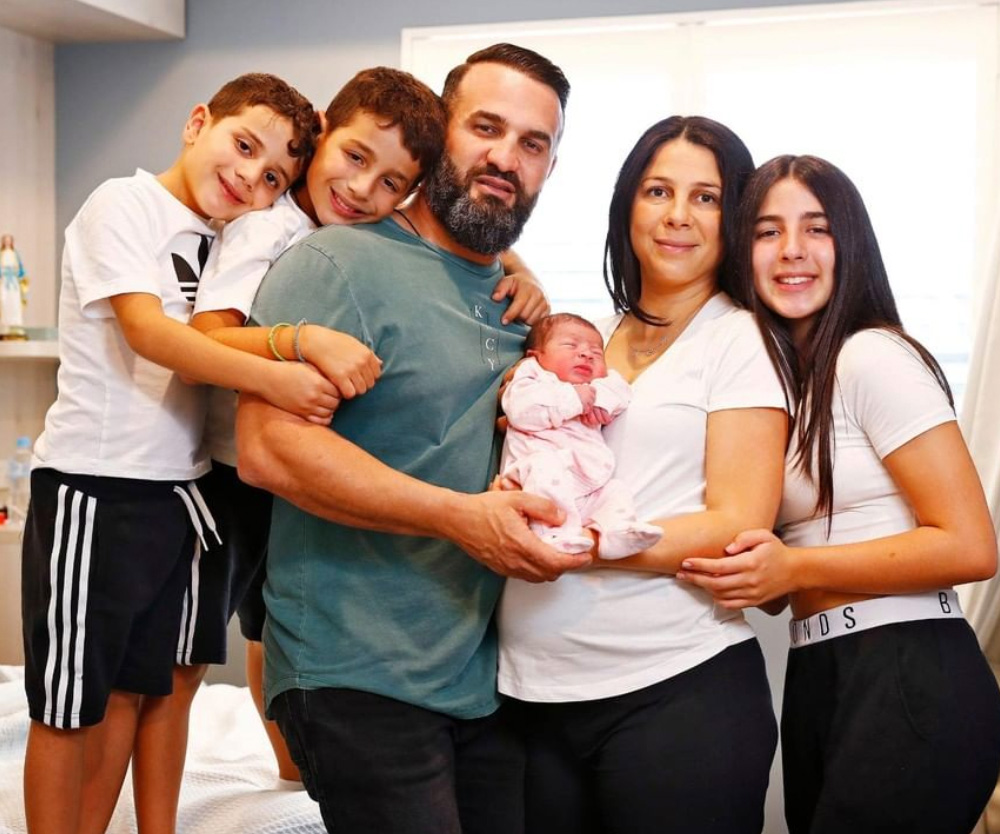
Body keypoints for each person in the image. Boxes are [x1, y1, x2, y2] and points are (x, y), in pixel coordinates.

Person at [235, 43, 583, 834]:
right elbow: (267, 448)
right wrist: (458, 516)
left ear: (550, 169)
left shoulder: (517, 301)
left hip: (484, 683)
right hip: (355, 673)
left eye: (533, 144)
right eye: (485, 127)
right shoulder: (337, 260)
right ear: (439, 137)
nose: (505, 156)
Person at [20, 73, 328, 834]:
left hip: (180, 493)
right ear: (199, 122)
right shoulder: (122, 204)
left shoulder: (232, 234)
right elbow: (156, 337)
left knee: (139, 687)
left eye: (270, 176)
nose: (248, 177)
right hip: (96, 487)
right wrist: (281, 375)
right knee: (67, 703)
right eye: (242, 144)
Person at [677, 154, 1000, 834]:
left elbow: (972, 546)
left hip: (908, 670)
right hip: (821, 668)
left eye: (816, 228)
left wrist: (792, 568)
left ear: (849, 243)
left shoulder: (871, 355)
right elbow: (783, 568)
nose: (792, 251)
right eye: (767, 232)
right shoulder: (781, 387)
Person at [496, 116, 788, 834]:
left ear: (736, 218)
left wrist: (585, 544)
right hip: (531, 693)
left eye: (707, 197)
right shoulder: (588, 339)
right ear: (629, 204)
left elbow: (738, 522)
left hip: (675, 689)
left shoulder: (742, 340)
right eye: (658, 190)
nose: (678, 216)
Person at [499, 312, 662, 558]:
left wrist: (599, 402)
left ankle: (617, 534)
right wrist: (574, 399)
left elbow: (620, 390)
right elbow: (521, 412)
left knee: (615, 490)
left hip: (588, 485)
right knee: (545, 466)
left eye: (596, 352)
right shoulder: (531, 379)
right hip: (535, 479)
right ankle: (553, 535)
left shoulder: (599, 385)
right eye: (571, 346)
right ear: (535, 357)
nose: (586, 354)